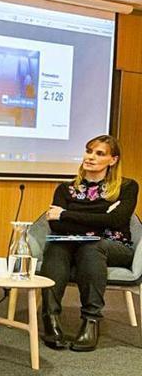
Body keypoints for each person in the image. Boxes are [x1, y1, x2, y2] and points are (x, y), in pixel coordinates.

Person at [41, 135, 138, 352]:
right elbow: (56, 227)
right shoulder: (65, 189)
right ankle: (51, 320)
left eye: (99, 153)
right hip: (74, 244)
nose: (91, 157)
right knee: (57, 244)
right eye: (88, 151)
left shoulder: (127, 187)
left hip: (115, 246)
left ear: (113, 160)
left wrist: (66, 214)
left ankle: (91, 321)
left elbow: (116, 221)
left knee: (92, 245)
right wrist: (100, 216)